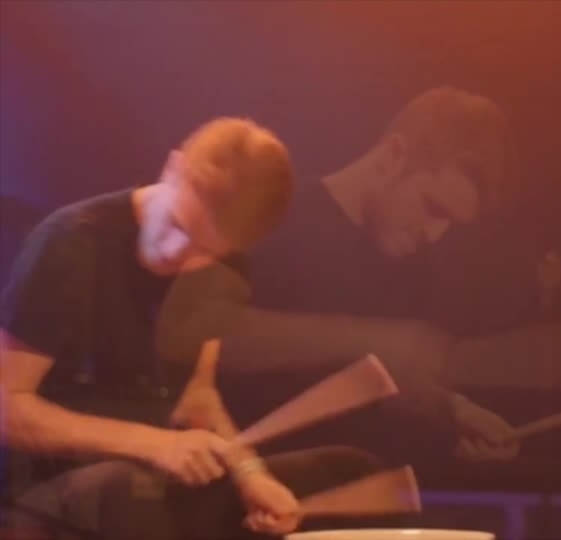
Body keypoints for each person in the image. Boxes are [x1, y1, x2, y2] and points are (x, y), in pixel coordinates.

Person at [0, 118, 383, 540]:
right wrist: (154, 444)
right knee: (125, 492)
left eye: (205, 250)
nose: (175, 254)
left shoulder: (224, 270)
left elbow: (196, 399)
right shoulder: (70, 243)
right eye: (178, 225)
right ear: (173, 168)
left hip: (149, 484)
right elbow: (8, 407)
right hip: (46, 495)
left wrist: (250, 474)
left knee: (347, 472)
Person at [219, 87, 523, 464]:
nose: (433, 235)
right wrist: (373, 341)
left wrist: (452, 416)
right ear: (394, 155)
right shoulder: (269, 214)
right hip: (236, 484)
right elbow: (199, 337)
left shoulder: (412, 270)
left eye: (450, 225)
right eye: (432, 208)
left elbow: (375, 391)